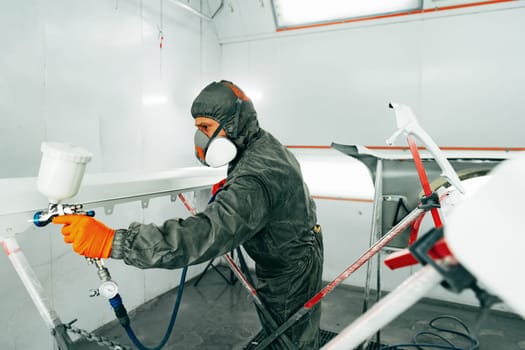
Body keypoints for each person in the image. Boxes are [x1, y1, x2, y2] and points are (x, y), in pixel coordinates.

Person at [53, 80, 324, 349]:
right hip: (295, 250)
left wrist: (115, 242)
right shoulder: (260, 146)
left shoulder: (256, 176)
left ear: (234, 123)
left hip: (289, 267)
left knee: (290, 341)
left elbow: (204, 235)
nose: (201, 138)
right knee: (284, 331)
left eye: (205, 128)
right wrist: (235, 191)